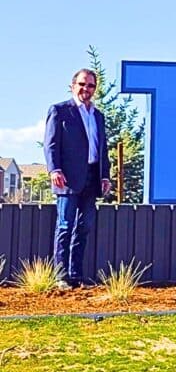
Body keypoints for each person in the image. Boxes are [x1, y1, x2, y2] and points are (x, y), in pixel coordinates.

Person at [44, 69, 111, 289]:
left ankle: (76, 276)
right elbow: (51, 144)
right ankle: (60, 276)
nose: (86, 89)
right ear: (73, 86)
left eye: (91, 85)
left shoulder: (98, 116)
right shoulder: (60, 111)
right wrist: (55, 170)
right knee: (64, 226)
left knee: (84, 227)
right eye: (82, 84)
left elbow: (102, 149)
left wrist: (104, 176)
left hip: (91, 179)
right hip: (68, 179)